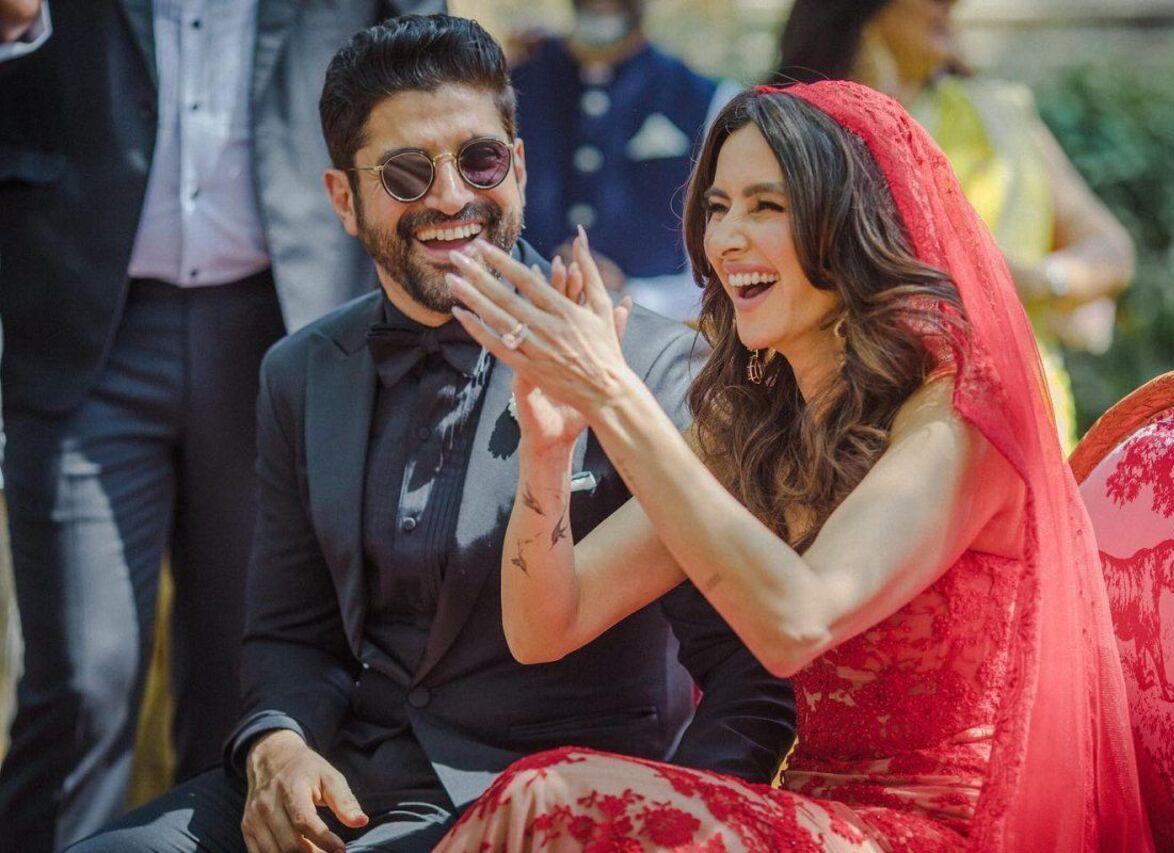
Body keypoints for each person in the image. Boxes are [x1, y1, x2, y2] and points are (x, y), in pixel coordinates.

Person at [68, 15, 794, 853]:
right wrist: (279, 746)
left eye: (480, 160)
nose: (450, 196)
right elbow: (288, 632)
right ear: (344, 199)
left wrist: (670, 829)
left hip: (536, 809)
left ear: (517, 167)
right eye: (406, 173)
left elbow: (748, 682)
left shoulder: (655, 367)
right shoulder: (299, 370)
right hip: (343, 786)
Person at [435, 80, 1155, 850]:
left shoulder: (959, 416)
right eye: (717, 208)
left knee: (549, 800)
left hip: (945, 830)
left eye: (765, 207)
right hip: (812, 813)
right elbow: (548, 624)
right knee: (540, 793)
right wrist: (548, 452)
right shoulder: (760, 423)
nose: (726, 240)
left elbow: (795, 621)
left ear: (851, 227)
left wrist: (616, 395)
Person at [0, 2, 452, 847]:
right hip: (82, 325)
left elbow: (427, 66)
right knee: (80, 679)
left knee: (243, 682)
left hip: (282, 321)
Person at [773, 0, 1135, 450]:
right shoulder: (795, 127)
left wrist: (1037, 281)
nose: (952, 4)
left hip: (1018, 425)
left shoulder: (1000, 116)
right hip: (858, 430)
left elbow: (1112, 250)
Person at [511, 0, 740, 321]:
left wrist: (632, 294)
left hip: (649, 343)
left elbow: (725, 268)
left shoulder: (710, 101)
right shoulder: (513, 84)